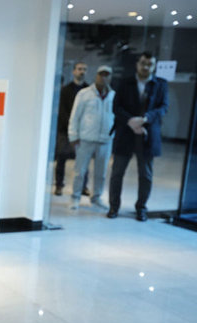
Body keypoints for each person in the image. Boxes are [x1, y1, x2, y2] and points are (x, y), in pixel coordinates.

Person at [107, 51, 169, 221]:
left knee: (146, 175)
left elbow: (163, 107)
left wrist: (146, 119)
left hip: (148, 134)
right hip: (125, 133)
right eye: (143, 63)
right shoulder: (124, 82)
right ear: (137, 64)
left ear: (154, 66)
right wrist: (131, 121)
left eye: (150, 64)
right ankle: (114, 207)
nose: (146, 67)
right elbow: (116, 107)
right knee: (117, 173)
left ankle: (141, 208)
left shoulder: (161, 84)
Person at [68, 65, 115, 211]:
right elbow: (75, 116)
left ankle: (96, 198)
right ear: (96, 76)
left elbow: (116, 117)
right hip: (86, 139)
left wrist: (113, 136)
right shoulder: (84, 94)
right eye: (101, 74)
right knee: (80, 171)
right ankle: (75, 197)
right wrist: (73, 135)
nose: (103, 77)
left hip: (105, 140)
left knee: (101, 173)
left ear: (110, 77)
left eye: (107, 75)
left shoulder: (113, 95)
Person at [55, 61, 89, 196]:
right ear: (74, 71)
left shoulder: (89, 90)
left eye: (84, 69)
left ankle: (83, 186)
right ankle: (59, 185)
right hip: (65, 130)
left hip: (83, 131)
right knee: (61, 158)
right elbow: (62, 111)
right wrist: (72, 126)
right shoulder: (66, 90)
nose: (82, 71)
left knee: (83, 160)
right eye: (79, 69)